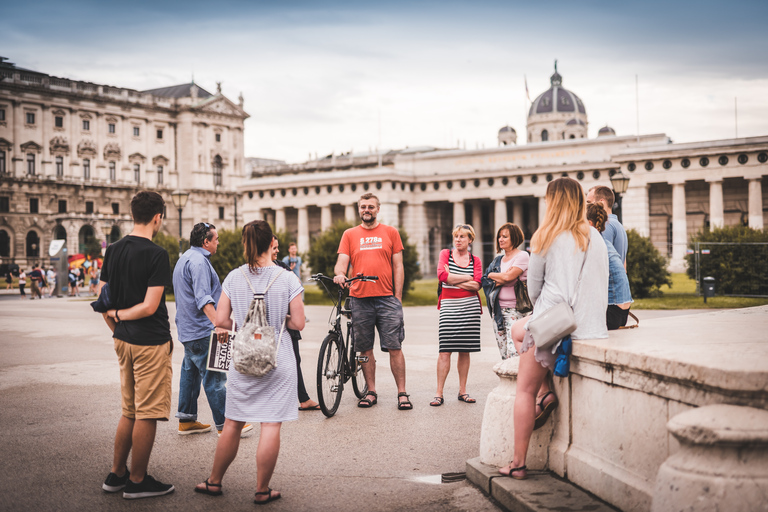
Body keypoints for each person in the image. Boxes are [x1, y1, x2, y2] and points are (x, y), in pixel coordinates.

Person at [499, 178, 608, 480]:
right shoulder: (595, 237)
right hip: (589, 325)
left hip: (554, 324)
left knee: (524, 390)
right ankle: (547, 393)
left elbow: (534, 289)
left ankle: (518, 462)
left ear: (552, 201)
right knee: (518, 331)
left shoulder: (546, 235)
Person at [195, 220, 304, 504]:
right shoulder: (288, 278)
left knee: (232, 422)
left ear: (246, 244)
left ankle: (214, 481)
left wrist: (244, 320)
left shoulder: (233, 277)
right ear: (272, 244)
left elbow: (221, 321)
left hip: (243, 357)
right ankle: (261, 489)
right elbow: (299, 323)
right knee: (270, 425)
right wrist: (281, 318)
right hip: (278, 358)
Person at [99, 190, 175, 499]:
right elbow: (149, 305)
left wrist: (116, 326)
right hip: (150, 342)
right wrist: (120, 316)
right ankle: (138, 480)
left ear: (133, 215)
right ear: (158, 217)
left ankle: (116, 474)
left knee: (129, 410)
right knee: (147, 412)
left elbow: (102, 298)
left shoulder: (113, 249)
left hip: (123, 339)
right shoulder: (156, 254)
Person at [333, 193, 411, 410]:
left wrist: (398, 297)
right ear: (359, 210)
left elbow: (398, 266)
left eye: (370, 206)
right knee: (365, 349)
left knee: (395, 347)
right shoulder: (349, 234)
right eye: (362, 207)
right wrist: (340, 274)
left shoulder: (390, 232)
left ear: (378, 209)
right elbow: (341, 262)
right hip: (359, 299)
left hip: (387, 299)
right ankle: (371, 391)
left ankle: (402, 393)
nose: (366, 210)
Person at [173, 222, 249, 436]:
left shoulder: (185, 258)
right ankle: (226, 426)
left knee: (190, 374)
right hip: (202, 329)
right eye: (216, 240)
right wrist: (218, 324)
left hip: (188, 330)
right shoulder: (198, 262)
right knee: (215, 377)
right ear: (206, 242)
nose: (218, 243)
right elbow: (203, 298)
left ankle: (186, 420)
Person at [430, 224, 482, 407]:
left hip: (470, 309)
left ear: (470, 240)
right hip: (449, 307)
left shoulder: (476, 260)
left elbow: (477, 285)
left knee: (464, 350)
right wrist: (467, 278)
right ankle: (439, 393)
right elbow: (442, 277)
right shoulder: (446, 254)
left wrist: (454, 277)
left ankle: (463, 391)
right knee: (444, 350)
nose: (458, 239)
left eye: (462, 236)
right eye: (456, 236)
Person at [272, 237, 319, 411]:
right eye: (274, 247)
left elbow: (296, 284)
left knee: (294, 359)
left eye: (278, 247)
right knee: (266, 361)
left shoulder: (281, 266)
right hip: (272, 324)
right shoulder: (256, 270)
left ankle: (303, 398)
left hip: (287, 322)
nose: (278, 250)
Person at [484, 223, 530, 360]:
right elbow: (485, 280)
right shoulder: (498, 260)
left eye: (505, 236)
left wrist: (496, 276)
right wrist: (495, 276)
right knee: (504, 352)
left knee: (514, 351)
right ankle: (507, 381)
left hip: (517, 310)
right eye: (499, 236)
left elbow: (508, 277)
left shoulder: (522, 256)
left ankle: (518, 381)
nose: (500, 239)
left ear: (514, 238)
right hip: (497, 310)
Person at [587, 203, 634, 329]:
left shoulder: (594, 244)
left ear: (590, 224)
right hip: (622, 313)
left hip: (612, 314)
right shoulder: (604, 241)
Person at [587, 186, 628, 266]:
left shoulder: (606, 225)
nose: (587, 206)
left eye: (589, 202)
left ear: (601, 203)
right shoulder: (618, 225)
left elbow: (601, 259)